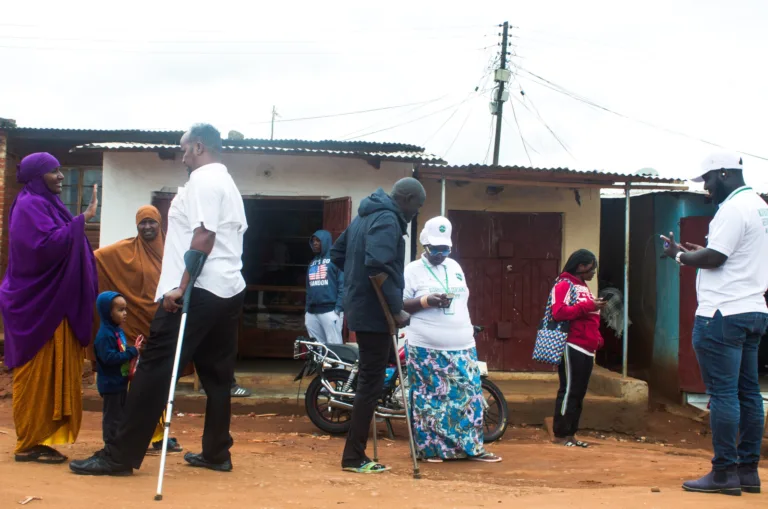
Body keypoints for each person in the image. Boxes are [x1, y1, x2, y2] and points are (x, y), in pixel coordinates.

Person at [70, 123, 248, 476]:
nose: (181, 156)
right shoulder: (226, 182)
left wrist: (181, 287)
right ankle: (216, 452)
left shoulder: (205, 180)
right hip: (228, 290)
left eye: (184, 149)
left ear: (199, 147)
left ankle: (119, 456)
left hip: (196, 290)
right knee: (216, 376)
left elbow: (204, 237)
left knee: (152, 369)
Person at [662, 153, 768, 496]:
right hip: (752, 309)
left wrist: (678, 255)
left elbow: (716, 258)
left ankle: (723, 472)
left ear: (724, 173)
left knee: (723, 394)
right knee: (748, 393)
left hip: (722, 314)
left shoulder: (732, 209)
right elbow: (727, 255)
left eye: (707, 179)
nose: (706, 188)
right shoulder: (758, 205)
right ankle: (747, 470)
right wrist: (701, 251)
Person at [0, 152, 98, 464]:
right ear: (36, 176)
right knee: (36, 370)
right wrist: (83, 219)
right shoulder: (30, 204)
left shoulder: (47, 204)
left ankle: (40, 437)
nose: (60, 177)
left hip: (55, 304)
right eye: (53, 172)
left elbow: (60, 239)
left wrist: (78, 223)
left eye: (61, 171)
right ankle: (27, 443)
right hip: (37, 307)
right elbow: (40, 250)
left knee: (52, 370)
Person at [331, 177, 426, 474]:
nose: (415, 213)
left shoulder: (365, 216)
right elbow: (377, 265)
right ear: (407, 199)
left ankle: (376, 416)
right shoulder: (387, 219)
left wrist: (354, 283)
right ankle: (353, 457)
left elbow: (337, 254)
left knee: (381, 367)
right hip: (375, 313)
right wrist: (395, 309)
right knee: (370, 384)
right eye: (417, 206)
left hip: (362, 306)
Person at [402, 216, 501, 463]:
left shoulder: (455, 267)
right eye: (435, 248)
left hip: (463, 345)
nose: (440, 253)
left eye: (444, 248)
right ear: (424, 244)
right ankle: (432, 451)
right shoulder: (411, 271)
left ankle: (472, 449)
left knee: (469, 397)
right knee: (431, 400)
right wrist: (427, 301)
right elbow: (399, 306)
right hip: (426, 346)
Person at [91, 205, 184, 454]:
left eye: (151, 222)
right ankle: (129, 435)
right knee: (135, 384)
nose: (147, 227)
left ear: (159, 224)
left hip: (163, 326)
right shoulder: (125, 251)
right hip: (134, 331)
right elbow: (96, 258)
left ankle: (160, 434)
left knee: (159, 382)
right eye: (142, 223)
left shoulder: (172, 250)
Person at [549, 249, 606, 448]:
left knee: (579, 392)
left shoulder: (583, 287)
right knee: (569, 390)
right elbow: (559, 312)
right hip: (572, 344)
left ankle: (571, 434)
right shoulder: (564, 284)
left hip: (587, 346)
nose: (593, 273)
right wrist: (588, 306)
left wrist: (597, 337)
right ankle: (560, 434)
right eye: (591, 268)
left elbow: (589, 315)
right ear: (581, 266)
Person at [93, 292, 139, 448]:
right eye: (120, 310)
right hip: (110, 384)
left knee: (120, 415)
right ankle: (110, 446)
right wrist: (130, 353)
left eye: (125, 309)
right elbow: (109, 358)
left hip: (120, 382)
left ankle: (119, 444)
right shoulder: (104, 335)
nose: (125, 313)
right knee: (112, 416)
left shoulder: (117, 331)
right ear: (107, 312)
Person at [305, 230, 344, 345]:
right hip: (312, 312)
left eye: (318, 240)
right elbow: (308, 288)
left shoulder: (335, 260)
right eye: (313, 241)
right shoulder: (312, 263)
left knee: (334, 347)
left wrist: (338, 308)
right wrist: (307, 311)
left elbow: (343, 285)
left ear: (326, 241)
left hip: (330, 310)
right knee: (316, 347)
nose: (315, 243)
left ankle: (338, 364)